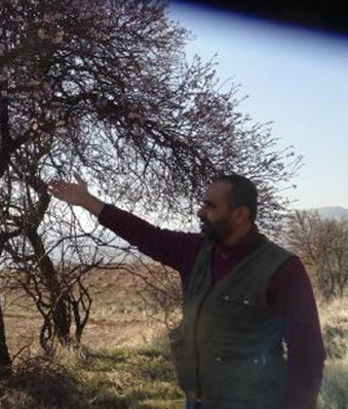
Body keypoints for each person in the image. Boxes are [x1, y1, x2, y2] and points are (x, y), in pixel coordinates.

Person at [48, 174, 325, 409]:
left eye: (210, 206)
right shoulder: (195, 252)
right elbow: (146, 235)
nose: (200, 212)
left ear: (240, 215)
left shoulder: (282, 268)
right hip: (197, 401)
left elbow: (308, 354)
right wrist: (88, 202)